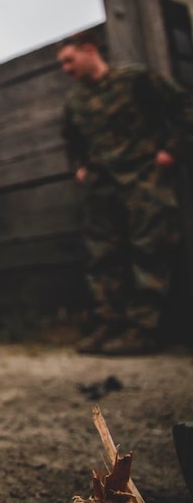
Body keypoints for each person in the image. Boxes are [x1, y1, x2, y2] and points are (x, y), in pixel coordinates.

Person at [58, 28, 193, 355]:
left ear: (90, 50)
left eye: (69, 60)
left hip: (143, 178)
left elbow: (184, 107)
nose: (66, 69)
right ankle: (109, 323)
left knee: (150, 249)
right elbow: (71, 139)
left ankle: (142, 330)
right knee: (103, 255)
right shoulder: (75, 100)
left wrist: (173, 150)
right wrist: (80, 167)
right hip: (103, 188)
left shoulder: (135, 80)